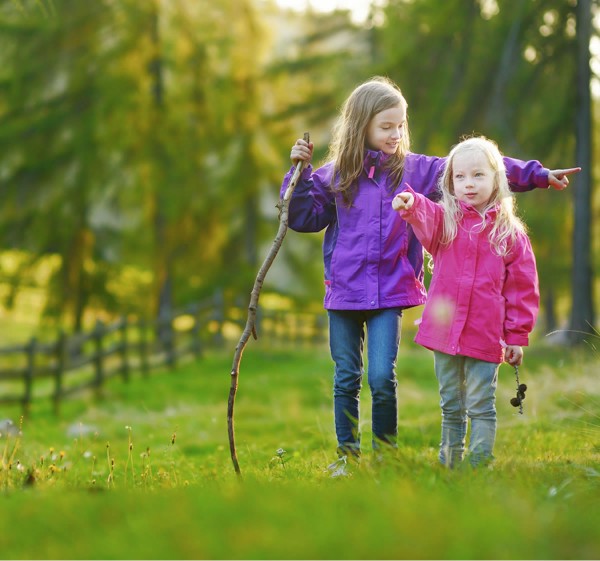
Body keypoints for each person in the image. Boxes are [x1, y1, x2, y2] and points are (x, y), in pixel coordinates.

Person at [280, 76, 579, 476]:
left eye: (401, 124)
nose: (396, 133)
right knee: (346, 377)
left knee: (383, 378)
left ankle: (385, 457)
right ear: (361, 126)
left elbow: (479, 165)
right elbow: (303, 216)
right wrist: (297, 174)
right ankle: (347, 457)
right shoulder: (336, 175)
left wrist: (537, 175)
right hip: (344, 294)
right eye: (386, 126)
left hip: (391, 292)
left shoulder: (417, 171)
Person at [392, 135, 541, 468]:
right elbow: (425, 214)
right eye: (460, 177)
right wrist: (411, 203)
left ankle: (477, 466)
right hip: (444, 332)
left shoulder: (510, 234)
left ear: (496, 180)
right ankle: (450, 464)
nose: (469, 184)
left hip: (485, 334)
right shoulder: (445, 222)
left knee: (481, 405)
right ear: (450, 182)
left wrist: (516, 337)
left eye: (478, 176)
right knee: (451, 405)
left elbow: (522, 291)